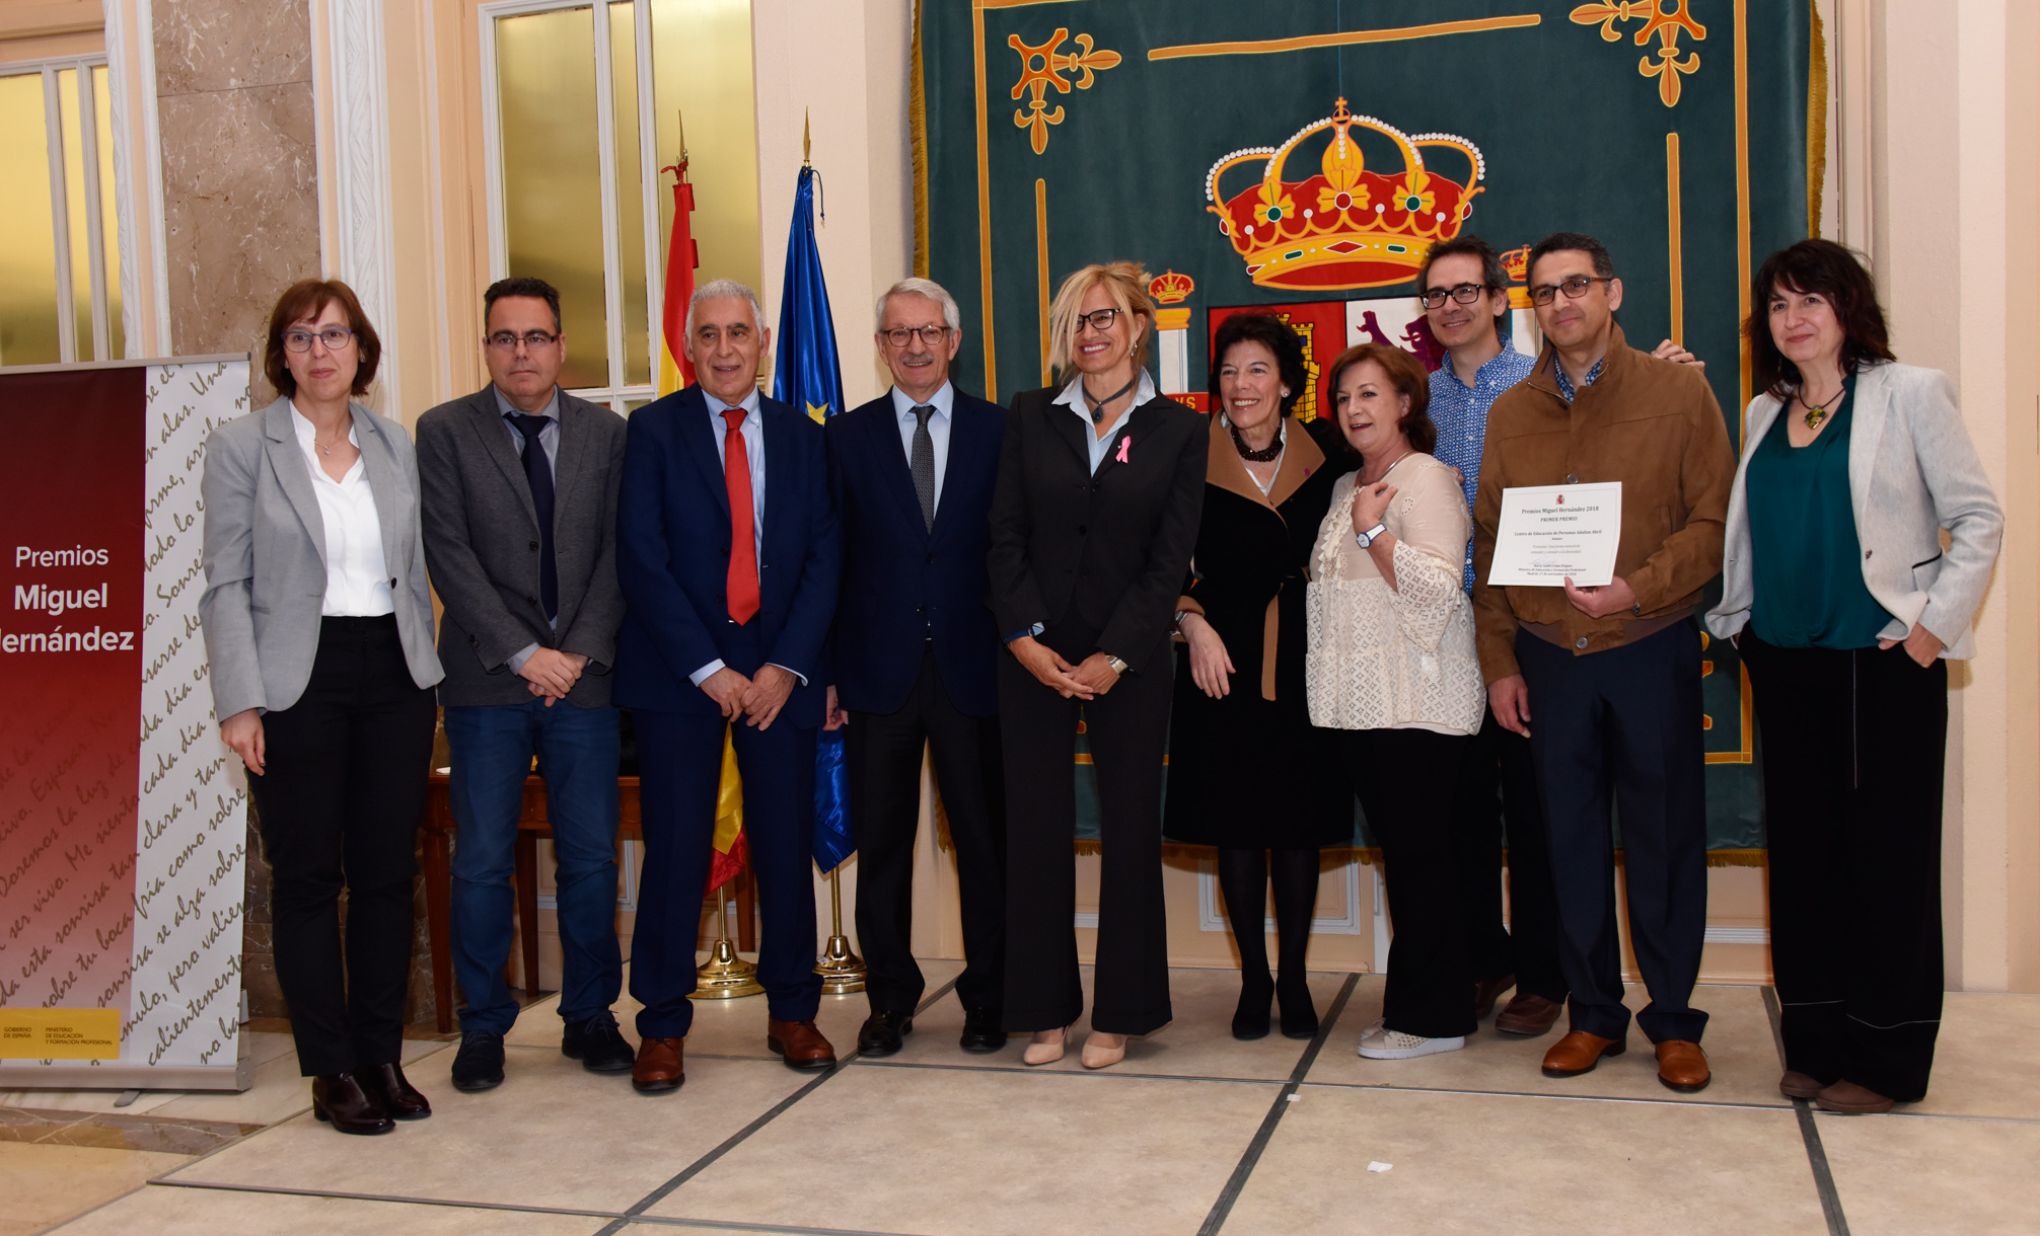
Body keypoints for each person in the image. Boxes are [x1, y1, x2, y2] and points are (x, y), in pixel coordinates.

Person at [1706, 239, 2002, 1114]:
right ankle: (1817, 1042)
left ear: (1849, 309)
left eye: (1811, 302)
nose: (1793, 320)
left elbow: (1978, 520)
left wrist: (1928, 633)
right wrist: (1746, 628)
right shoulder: (1766, 413)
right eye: (1779, 305)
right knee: (1803, 861)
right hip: (1786, 665)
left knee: (1889, 864)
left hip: (1883, 666)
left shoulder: (1911, 394)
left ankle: (1884, 1061)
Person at [1421, 235, 1708, 1038]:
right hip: (1514, 645)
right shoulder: (1473, 410)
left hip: (1638, 638)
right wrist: (1502, 658)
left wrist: (1634, 589)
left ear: (1610, 294)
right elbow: (1490, 538)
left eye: (1575, 286)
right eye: (1548, 292)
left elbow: (1712, 522)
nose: (1562, 304)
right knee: (1533, 832)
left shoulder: (1669, 391)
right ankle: (1576, 1005)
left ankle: (1666, 1017)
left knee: (1643, 836)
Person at [198, 279, 444, 1135]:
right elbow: (225, 584)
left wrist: (426, 670)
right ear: (283, 355)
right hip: (294, 681)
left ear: (362, 349)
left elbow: (411, 572)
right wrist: (241, 703)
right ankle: (330, 1067)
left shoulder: (393, 442)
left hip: (395, 674)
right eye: (301, 338)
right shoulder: (242, 448)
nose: (320, 351)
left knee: (386, 874)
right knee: (307, 879)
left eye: (335, 334)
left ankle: (381, 1056)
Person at [613, 279, 840, 1093]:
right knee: (674, 850)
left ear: (764, 339)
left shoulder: (804, 437)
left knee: (783, 846)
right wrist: (709, 670)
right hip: (681, 679)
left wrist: (784, 666)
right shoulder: (651, 432)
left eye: (738, 332)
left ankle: (793, 1012)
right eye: (706, 334)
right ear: (688, 343)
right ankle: (664, 1026)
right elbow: (642, 557)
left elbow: (823, 561)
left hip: (781, 675)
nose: (723, 348)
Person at [989, 260, 1207, 1070]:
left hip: (1132, 658)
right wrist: (1023, 640)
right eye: (1078, 321)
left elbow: (1169, 558)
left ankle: (1123, 1012)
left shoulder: (1181, 430)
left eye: (1105, 317)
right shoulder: (1028, 415)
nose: (1091, 333)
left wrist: (1117, 653)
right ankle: (1044, 1013)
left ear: (1140, 326)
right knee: (1037, 831)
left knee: (1126, 832)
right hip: (1032, 656)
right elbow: (1004, 537)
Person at [417, 276, 632, 1093]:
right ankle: (483, 1029)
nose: (521, 353)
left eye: (536, 337)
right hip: (485, 685)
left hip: (583, 682)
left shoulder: (607, 436)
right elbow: (449, 555)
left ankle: (588, 1016)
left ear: (561, 345)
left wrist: (574, 651)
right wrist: (521, 653)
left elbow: (620, 552)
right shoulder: (442, 432)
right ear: (486, 348)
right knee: (479, 864)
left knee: (588, 860)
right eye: (505, 338)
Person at [827, 277, 1008, 1057]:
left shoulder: (1002, 432)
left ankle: (990, 998)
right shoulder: (846, 437)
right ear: (880, 346)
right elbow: (828, 561)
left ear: (953, 340)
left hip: (977, 673)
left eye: (929, 331)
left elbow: (1014, 553)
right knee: (884, 849)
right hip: (876, 676)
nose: (915, 346)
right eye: (899, 333)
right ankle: (890, 1000)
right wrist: (827, 670)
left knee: (985, 846)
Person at [1162, 312, 1348, 1042]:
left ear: (1287, 382)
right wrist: (1190, 622)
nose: (1242, 386)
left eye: (1258, 370)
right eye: (1231, 371)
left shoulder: (1330, 450)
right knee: (1236, 826)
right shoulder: (1187, 455)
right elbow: (1162, 558)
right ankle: (1254, 982)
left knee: (1298, 825)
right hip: (1220, 658)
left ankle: (1296, 977)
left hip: (1309, 652)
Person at [1304, 344, 1488, 1059]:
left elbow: (1439, 595)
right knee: (1403, 859)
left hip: (1421, 705)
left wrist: (1375, 532)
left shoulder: (1428, 480)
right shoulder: (1344, 483)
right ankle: (1420, 1006)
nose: (1355, 410)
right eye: (1345, 397)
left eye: (1371, 395)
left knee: (1422, 861)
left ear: (1406, 403)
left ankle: (1433, 1019)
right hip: (1362, 709)